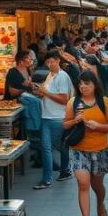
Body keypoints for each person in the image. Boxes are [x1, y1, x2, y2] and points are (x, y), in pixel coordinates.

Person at [64, 71, 108, 216]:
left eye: (87, 83)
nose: (83, 86)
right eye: (80, 84)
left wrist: (98, 126)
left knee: (97, 185)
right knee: (83, 184)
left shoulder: (104, 102)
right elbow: (65, 125)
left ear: (95, 84)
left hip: (99, 150)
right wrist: (74, 121)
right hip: (78, 149)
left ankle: (100, 204)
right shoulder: (73, 103)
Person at [33, 50, 74, 189]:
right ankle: (58, 173)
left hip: (57, 117)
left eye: (51, 62)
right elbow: (47, 93)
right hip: (47, 116)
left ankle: (57, 173)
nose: (49, 65)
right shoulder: (50, 75)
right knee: (50, 147)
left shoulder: (62, 77)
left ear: (58, 60)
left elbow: (64, 99)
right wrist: (39, 91)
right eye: (47, 62)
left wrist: (46, 93)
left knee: (54, 147)